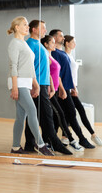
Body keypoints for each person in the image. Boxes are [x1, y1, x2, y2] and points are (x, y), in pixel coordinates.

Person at [6, 16, 53, 156]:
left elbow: (31, 67)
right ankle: (40, 144)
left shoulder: (24, 44)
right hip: (18, 83)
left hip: (26, 83)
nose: (27, 27)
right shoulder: (14, 43)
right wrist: (14, 87)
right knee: (32, 111)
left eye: (27, 25)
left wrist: (35, 84)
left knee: (21, 117)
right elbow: (13, 66)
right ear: (17, 27)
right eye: (24, 25)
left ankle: (15, 147)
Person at [24, 20, 72, 155]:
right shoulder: (29, 44)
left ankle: (29, 143)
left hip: (44, 84)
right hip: (37, 84)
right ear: (33, 29)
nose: (45, 30)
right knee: (47, 114)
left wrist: (50, 86)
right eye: (42, 28)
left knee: (35, 115)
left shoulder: (39, 45)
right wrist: (34, 85)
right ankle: (55, 143)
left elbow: (47, 69)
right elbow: (29, 66)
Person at [49, 29, 95, 149]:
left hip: (67, 88)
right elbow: (57, 74)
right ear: (55, 37)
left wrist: (72, 87)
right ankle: (81, 139)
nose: (63, 38)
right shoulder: (54, 53)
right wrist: (62, 89)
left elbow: (68, 72)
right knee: (69, 114)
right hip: (61, 90)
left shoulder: (62, 53)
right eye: (61, 36)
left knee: (60, 116)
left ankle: (52, 140)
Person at [41, 35, 84, 152]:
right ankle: (71, 140)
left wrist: (57, 89)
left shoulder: (51, 57)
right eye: (52, 42)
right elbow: (47, 74)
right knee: (58, 114)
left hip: (53, 91)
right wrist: (51, 88)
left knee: (53, 116)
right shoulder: (45, 56)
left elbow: (55, 76)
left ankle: (49, 141)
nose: (55, 45)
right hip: (49, 91)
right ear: (46, 44)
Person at [63, 35, 102, 146]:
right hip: (70, 88)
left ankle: (64, 136)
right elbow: (68, 75)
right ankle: (93, 135)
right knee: (79, 110)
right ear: (67, 43)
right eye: (73, 42)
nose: (75, 44)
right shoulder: (65, 56)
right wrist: (73, 88)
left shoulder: (70, 56)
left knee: (70, 112)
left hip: (73, 87)